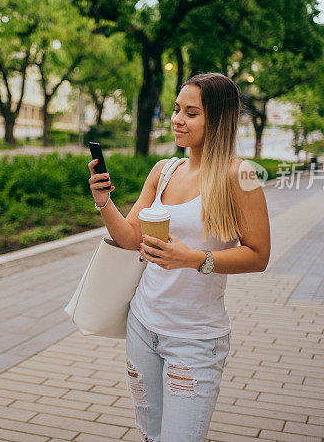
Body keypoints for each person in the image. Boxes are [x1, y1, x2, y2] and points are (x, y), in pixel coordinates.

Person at [87, 72, 271, 442]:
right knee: (151, 435)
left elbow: (259, 255)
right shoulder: (164, 170)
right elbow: (129, 239)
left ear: (216, 119)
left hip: (195, 338)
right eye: (175, 109)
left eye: (191, 113)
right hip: (143, 325)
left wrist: (195, 259)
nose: (177, 119)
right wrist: (103, 200)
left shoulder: (241, 175)